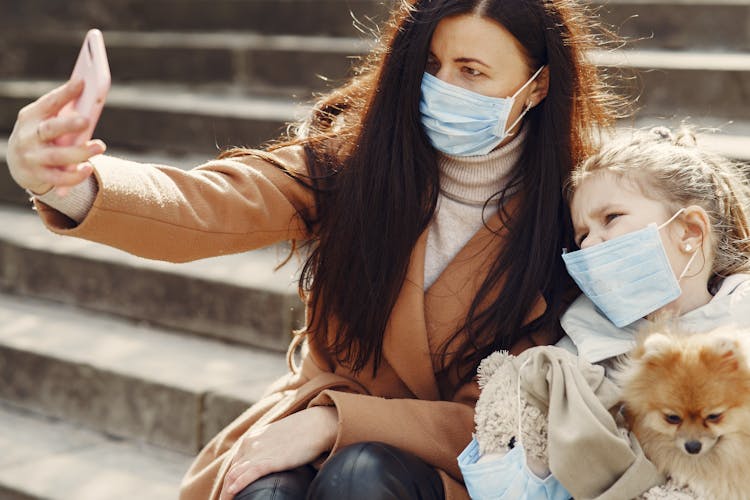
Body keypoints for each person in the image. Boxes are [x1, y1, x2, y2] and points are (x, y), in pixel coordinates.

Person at [5, 0, 617, 499]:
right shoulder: (354, 162)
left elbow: (512, 416)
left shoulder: (573, 213)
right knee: (260, 488)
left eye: (471, 71)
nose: (441, 88)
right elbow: (215, 202)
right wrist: (73, 183)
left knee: (362, 478)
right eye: (429, 65)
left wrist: (335, 422)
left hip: (464, 464)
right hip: (313, 415)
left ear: (536, 88)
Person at [462, 127, 750, 500]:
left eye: (611, 218)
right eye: (582, 235)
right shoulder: (577, 351)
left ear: (690, 231)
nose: (591, 244)